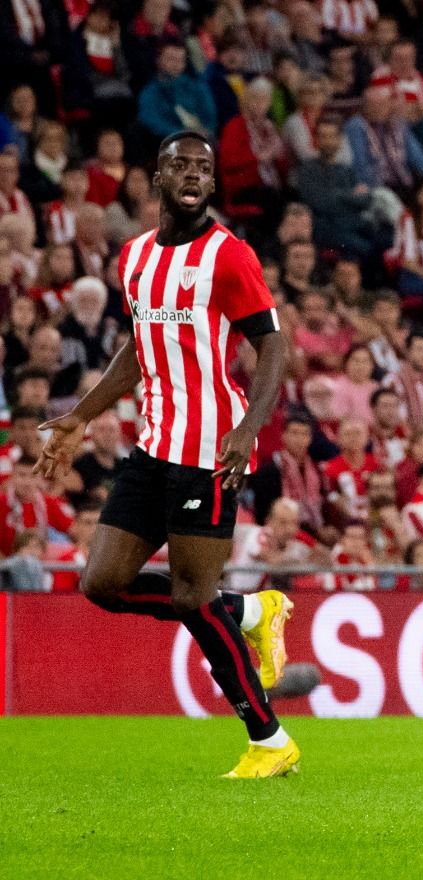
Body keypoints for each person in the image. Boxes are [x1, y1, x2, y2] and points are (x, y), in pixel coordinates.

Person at [33, 131, 300, 779]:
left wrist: (247, 429)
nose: (192, 174)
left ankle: (269, 738)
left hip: (210, 449)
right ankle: (249, 608)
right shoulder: (135, 259)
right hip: (154, 446)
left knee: (190, 597)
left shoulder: (228, 257)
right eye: (180, 164)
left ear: (211, 184)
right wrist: (81, 417)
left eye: (203, 168)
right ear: (157, 179)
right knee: (102, 583)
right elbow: (140, 348)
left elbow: (273, 346)